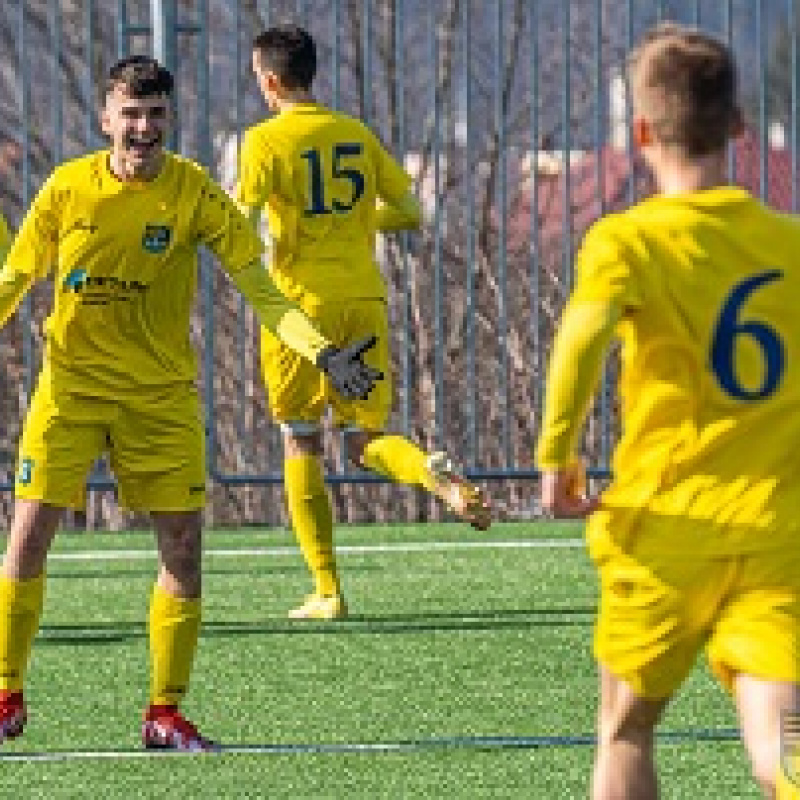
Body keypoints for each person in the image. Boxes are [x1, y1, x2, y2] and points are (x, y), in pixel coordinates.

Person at [0, 55, 381, 752]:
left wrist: (322, 351)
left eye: (156, 116)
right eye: (131, 115)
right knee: (27, 537)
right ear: (106, 118)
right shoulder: (65, 190)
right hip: (72, 388)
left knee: (182, 548)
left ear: (168, 120)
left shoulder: (197, 194)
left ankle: (164, 713)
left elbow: (263, 291)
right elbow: (15, 278)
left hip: (161, 396)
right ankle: (6, 695)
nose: (143, 129)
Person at [535, 23, 800, 799]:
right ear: (738, 126)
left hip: (664, 527)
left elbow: (579, 344)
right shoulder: (787, 245)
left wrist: (560, 462)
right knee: (782, 734)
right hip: (776, 526)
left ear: (643, 129)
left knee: (625, 729)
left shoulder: (628, 241)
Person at [236, 26, 491, 621]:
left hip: (300, 309)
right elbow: (410, 210)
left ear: (270, 80)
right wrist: (353, 224)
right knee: (364, 438)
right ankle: (430, 473)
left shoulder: (263, 141)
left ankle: (327, 589)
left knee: (300, 439)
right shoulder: (355, 133)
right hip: (364, 300)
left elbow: (244, 221)